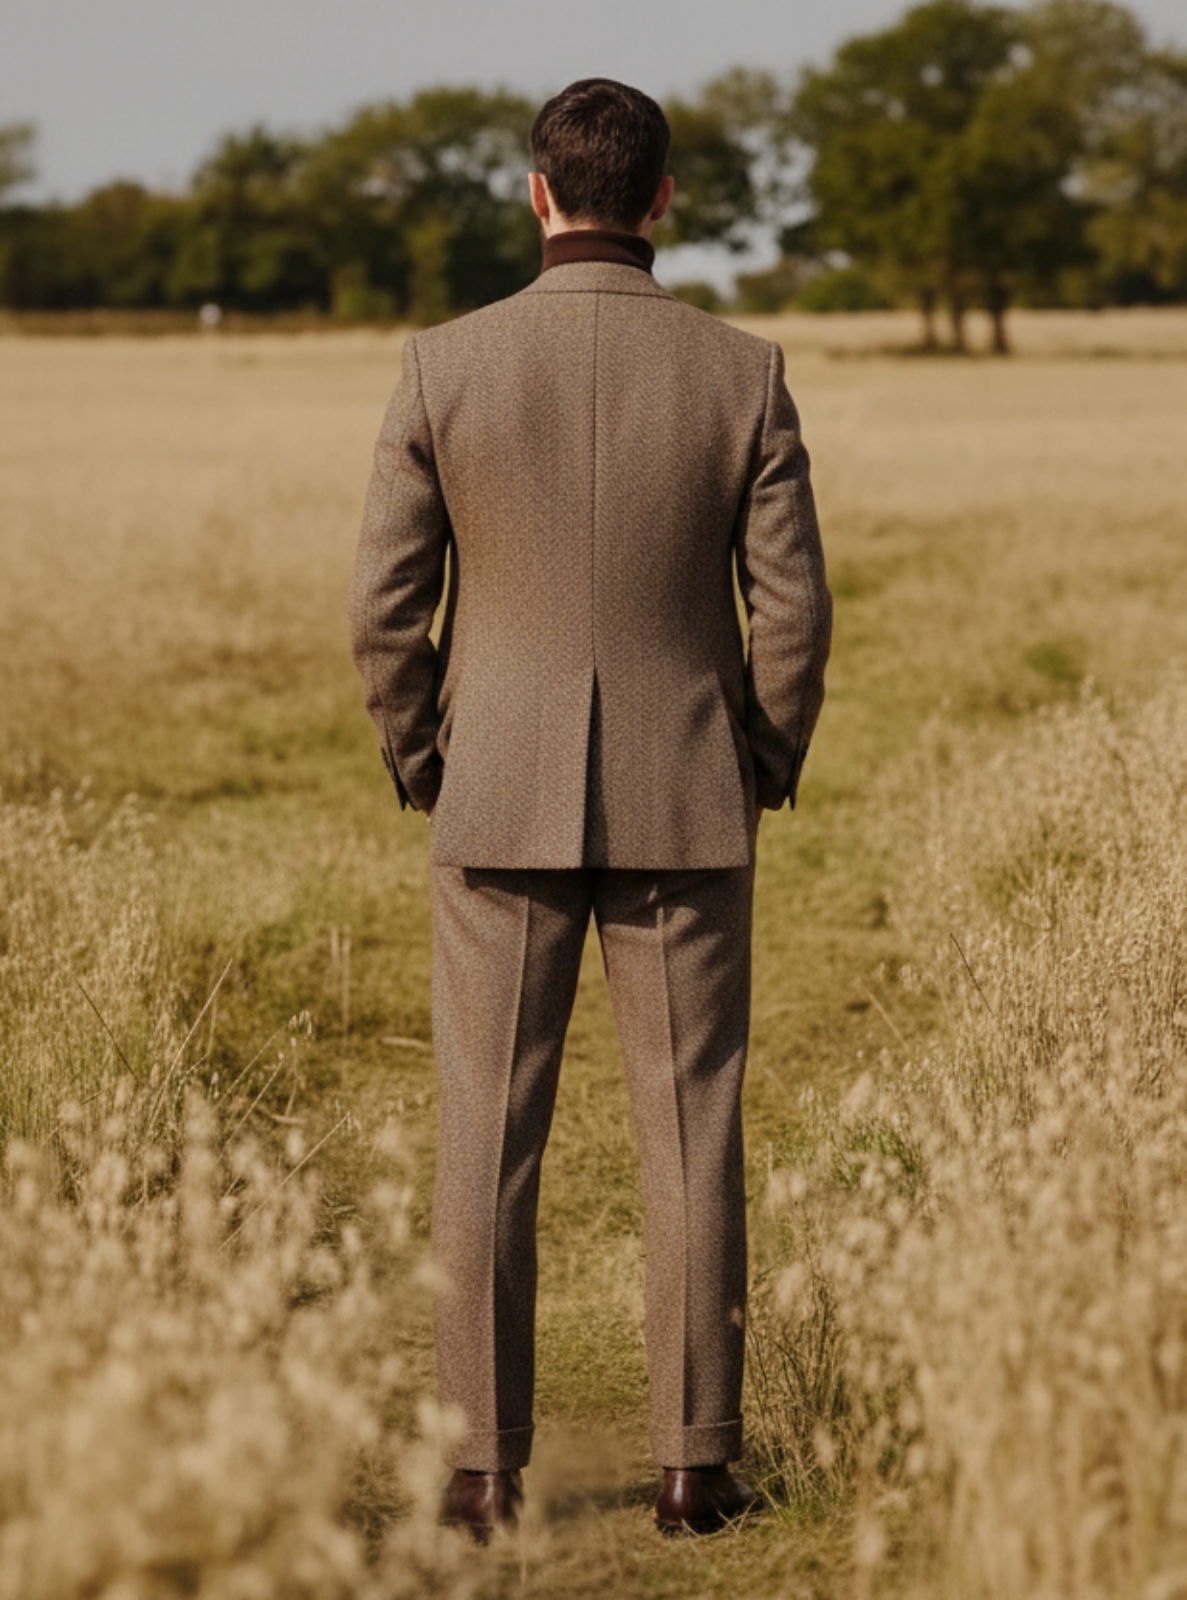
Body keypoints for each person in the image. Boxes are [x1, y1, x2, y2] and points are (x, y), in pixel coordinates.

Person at [349, 77, 832, 1541]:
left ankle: (484, 1474)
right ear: (663, 198)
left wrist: (428, 755)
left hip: (489, 799)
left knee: (484, 1132)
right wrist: (755, 753)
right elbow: (794, 609)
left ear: (538, 192)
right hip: (687, 797)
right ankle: (698, 1471)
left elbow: (384, 609)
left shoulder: (444, 366)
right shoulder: (740, 371)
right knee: (692, 1132)